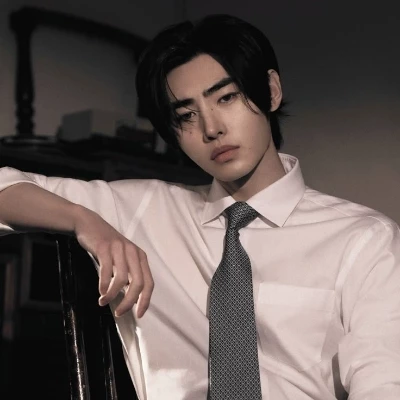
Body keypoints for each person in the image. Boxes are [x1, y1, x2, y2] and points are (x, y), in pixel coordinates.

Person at [0, 13, 399, 400]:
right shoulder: (148, 209)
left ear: (271, 91)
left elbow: (385, 383)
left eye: (226, 97)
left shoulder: (365, 240)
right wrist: (83, 219)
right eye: (187, 115)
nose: (212, 129)